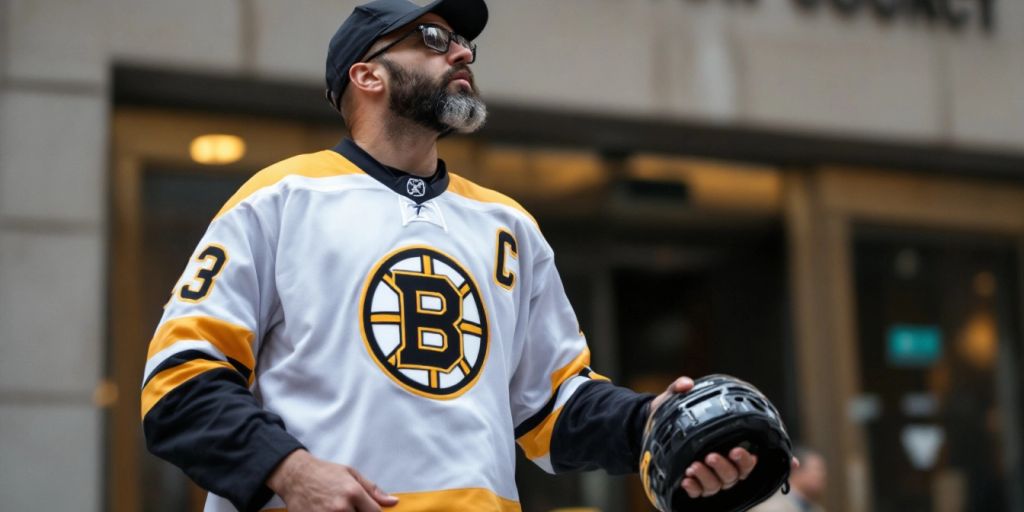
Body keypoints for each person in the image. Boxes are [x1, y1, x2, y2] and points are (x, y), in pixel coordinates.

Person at [140, 0, 769, 510]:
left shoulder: (509, 225)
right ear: (368, 75)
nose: (463, 51)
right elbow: (178, 382)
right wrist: (289, 470)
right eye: (435, 38)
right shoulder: (280, 199)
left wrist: (649, 423)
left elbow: (552, 408)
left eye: (465, 43)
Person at [751, 447, 827, 512]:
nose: (822, 475)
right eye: (817, 470)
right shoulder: (771, 507)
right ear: (797, 470)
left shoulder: (816, 509)